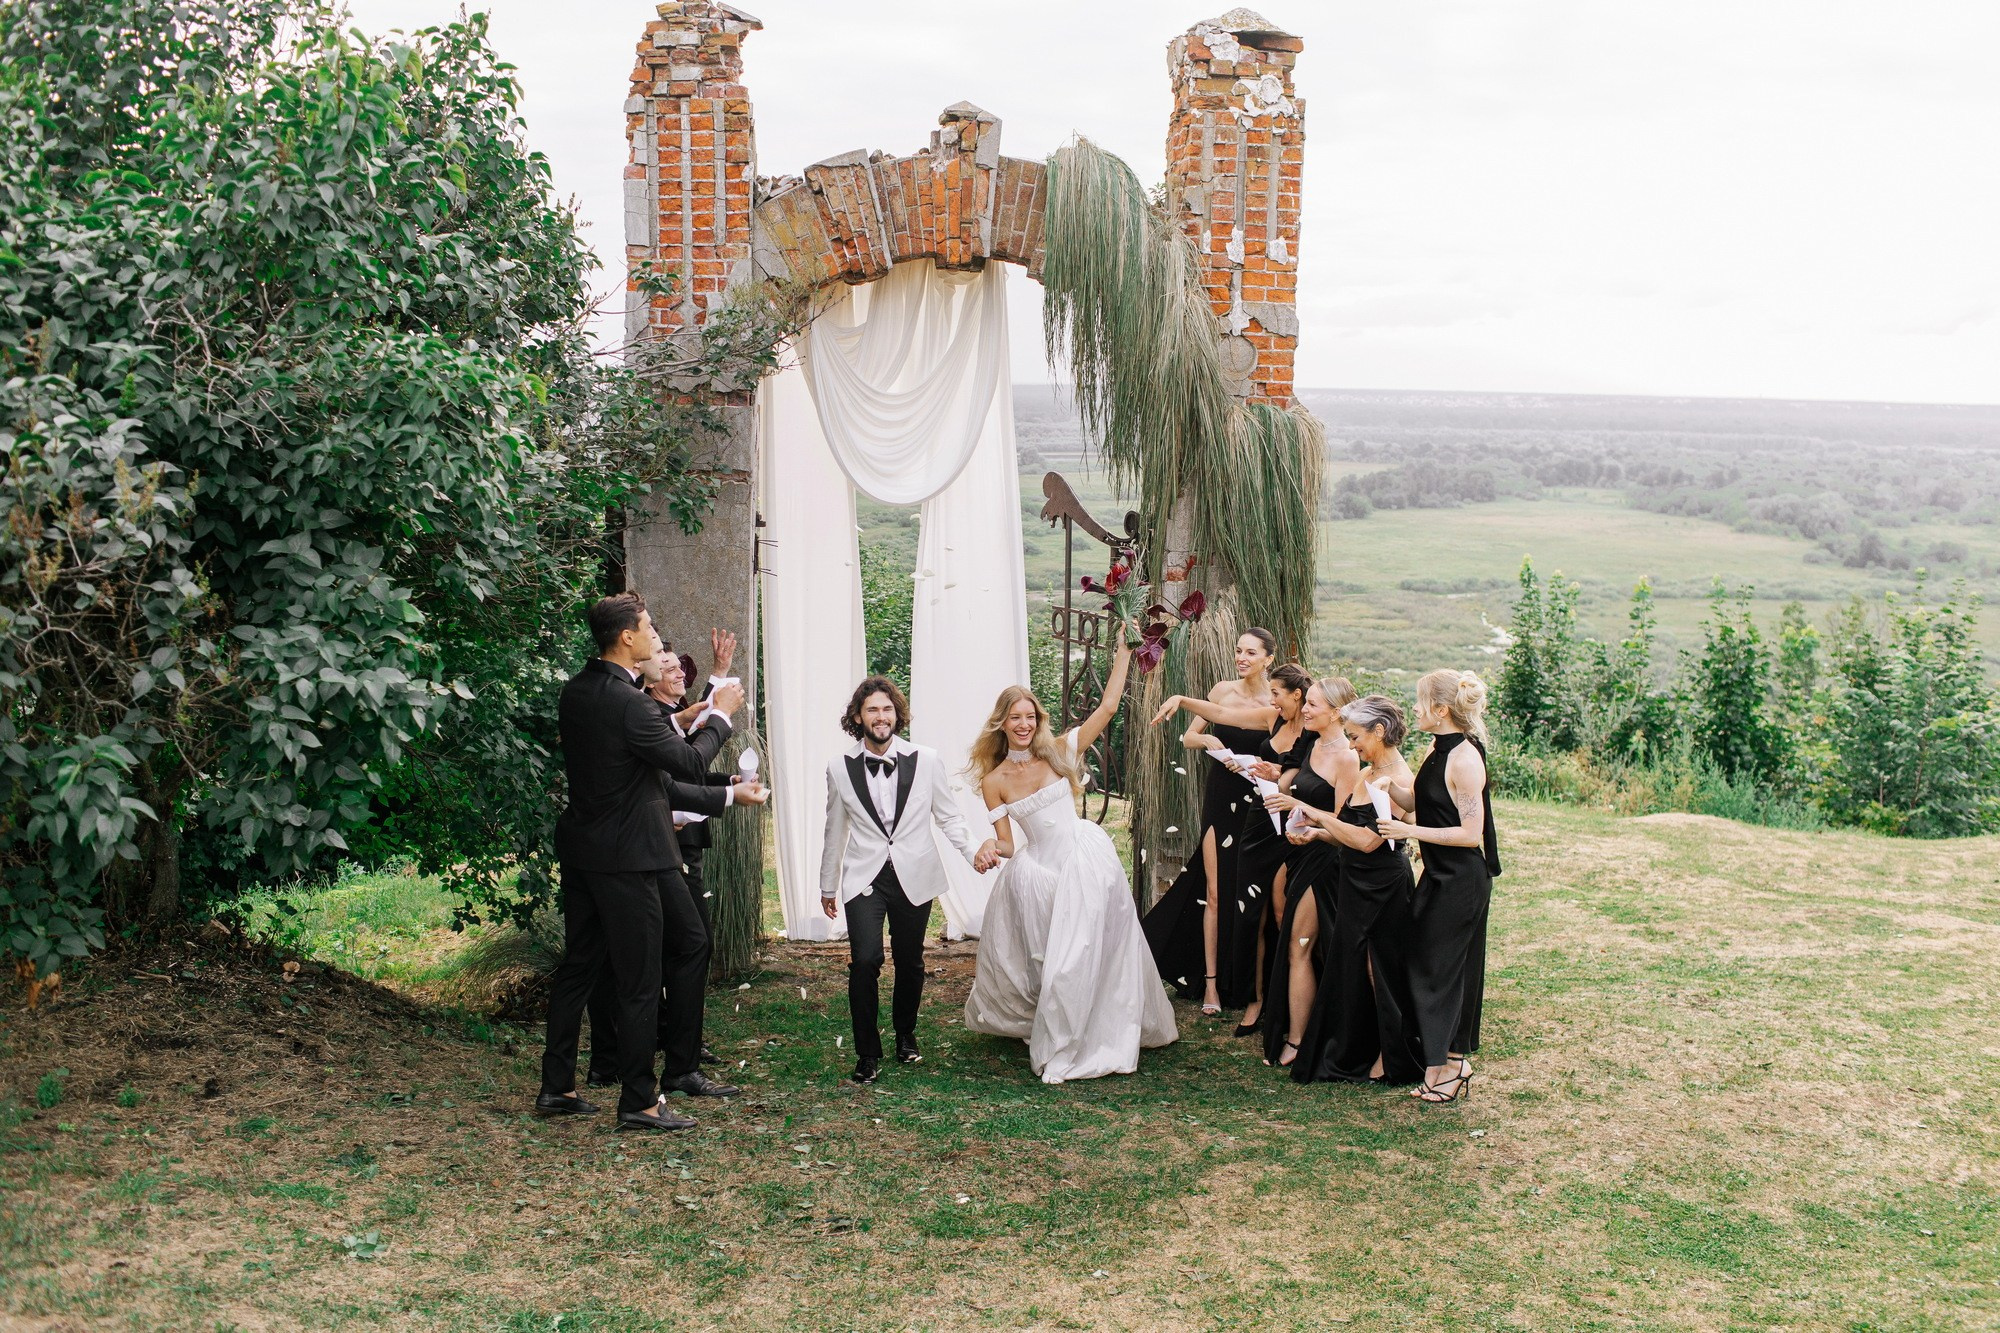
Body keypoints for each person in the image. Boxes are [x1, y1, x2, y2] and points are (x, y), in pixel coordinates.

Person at [536, 593, 767, 1133]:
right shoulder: (631, 704)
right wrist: (721, 717)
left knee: (580, 968)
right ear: (626, 639)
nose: (654, 638)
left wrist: (714, 773)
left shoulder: (578, 692)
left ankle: (557, 1085)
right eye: (647, 629)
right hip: (633, 857)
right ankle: (639, 1100)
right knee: (640, 978)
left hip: (585, 852)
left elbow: (642, 773)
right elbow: (687, 759)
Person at [962, 639, 1178, 1082]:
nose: (1023, 725)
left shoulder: (1060, 751)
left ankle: (1103, 1025)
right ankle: (1061, 1028)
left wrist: (1122, 655)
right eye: (1015, 718)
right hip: (1038, 876)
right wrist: (986, 849)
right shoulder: (995, 781)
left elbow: (1108, 708)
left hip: (1085, 860)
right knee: (1053, 960)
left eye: (1030, 717)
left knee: (1097, 948)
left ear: (1037, 720)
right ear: (1001, 723)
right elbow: (1005, 843)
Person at [584, 631, 741, 1085]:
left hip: (652, 847)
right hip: (641, 850)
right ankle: (638, 1062)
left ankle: (670, 1056)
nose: (672, 668)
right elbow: (680, 767)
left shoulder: (629, 704)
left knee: (679, 945)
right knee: (644, 955)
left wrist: (725, 788)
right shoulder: (631, 706)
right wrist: (725, 791)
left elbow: (680, 755)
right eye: (661, 657)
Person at [820, 676, 991, 1084]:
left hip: (914, 874)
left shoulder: (926, 759)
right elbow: (834, 830)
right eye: (872, 710)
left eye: (887, 709)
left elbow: (948, 816)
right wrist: (828, 885)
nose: (881, 717)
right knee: (864, 961)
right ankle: (866, 1053)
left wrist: (972, 854)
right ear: (858, 718)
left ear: (897, 715)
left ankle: (905, 1034)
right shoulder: (839, 768)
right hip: (865, 877)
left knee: (910, 961)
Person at [1141, 628, 1280, 1019]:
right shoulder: (1221, 690)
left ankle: (1252, 984)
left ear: (1268, 659)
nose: (1241, 657)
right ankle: (1212, 984)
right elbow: (1189, 737)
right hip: (1221, 794)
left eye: (1250, 652)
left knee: (1254, 892)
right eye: (1238, 650)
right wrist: (1208, 743)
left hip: (1260, 799)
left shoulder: (1274, 701)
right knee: (1216, 891)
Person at [1377, 669, 1502, 1104]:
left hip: (1461, 880)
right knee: (1426, 961)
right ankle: (1446, 1059)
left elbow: (1470, 834)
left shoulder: (1465, 759)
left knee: (1442, 969)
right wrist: (1385, 784)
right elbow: (1423, 803)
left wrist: (1407, 832)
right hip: (1438, 875)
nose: (1414, 709)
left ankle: (1450, 1064)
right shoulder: (1436, 748)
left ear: (1440, 710)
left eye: (1419, 702)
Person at [1288, 695, 1421, 1086]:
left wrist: (1317, 814)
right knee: (1353, 966)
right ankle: (1357, 1048)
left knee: (1378, 966)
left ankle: (1392, 1052)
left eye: (1356, 736)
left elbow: (1367, 841)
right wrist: (1317, 833)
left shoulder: (1401, 781)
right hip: (1354, 882)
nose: (1352, 745)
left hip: (1382, 886)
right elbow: (1346, 836)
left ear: (1379, 732)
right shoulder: (1364, 774)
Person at [1251, 678, 1359, 1069]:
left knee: (1300, 945)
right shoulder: (1312, 744)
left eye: (1313, 704)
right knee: (1298, 945)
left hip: (1325, 862)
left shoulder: (1348, 757)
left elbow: (1346, 822)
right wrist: (1274, 775)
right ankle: (1302, 1030)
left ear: (1336, 712)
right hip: (1299, 853)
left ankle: (1299, 1041)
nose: (1306, 710)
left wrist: (1296, 802)